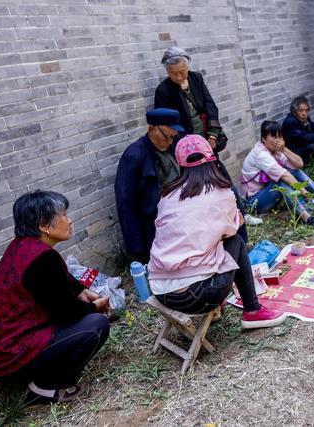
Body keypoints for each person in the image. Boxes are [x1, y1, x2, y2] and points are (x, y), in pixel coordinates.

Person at [0, 190, 111, 403]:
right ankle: (45, 387)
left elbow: (55, 282)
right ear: (43, 225)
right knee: (96, 325)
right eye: (64, 215)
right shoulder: (41, 259)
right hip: (8, 358)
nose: (70, 219)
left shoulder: (22, 247)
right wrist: (96, 307)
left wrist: (81, 290)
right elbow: (67, 314)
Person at [148, 134, 286, 329]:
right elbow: (231, 229)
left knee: (213, 248)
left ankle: (231, 309)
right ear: (212, 159)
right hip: (195, 297)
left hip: (160, 290)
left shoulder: (168, 194)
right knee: (236, 242)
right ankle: (252, 311)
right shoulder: (221, 193)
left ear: (181, 165)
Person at [153, 46, 261, 230]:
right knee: (195, 186)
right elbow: (167, 124)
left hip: (207, 144)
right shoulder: (163, 90)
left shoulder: (196, 78)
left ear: (187, 67)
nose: (179, 77)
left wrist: (212, 136)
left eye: (182, 72)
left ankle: (240, 214)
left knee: (221, 178)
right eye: (173, 73)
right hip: (186, 150)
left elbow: (210, 106)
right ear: (167, 71)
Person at [114, 108, 184, 264]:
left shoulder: (170, 147)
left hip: (177, 218)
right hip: (153, 228)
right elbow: (125, 203)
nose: (170, 142)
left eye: (174, 137)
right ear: (151, 129)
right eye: (167, 137)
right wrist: (137, 247)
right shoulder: (134, 155)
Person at [241, 120, 314, 226]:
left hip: (268, 193)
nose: (277, 140)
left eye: (279, 137)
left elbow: (299, 164)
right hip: (255, 202)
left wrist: (284, 149)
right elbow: (284, 175)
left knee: (292, 170)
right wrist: (303, 191)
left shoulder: (276, 151)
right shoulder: (261, 154)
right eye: (273, 137)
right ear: (263, 139)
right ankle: (305, 216)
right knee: (280, 182)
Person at [281, 96, 314, 164]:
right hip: (294, 151)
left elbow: (313, 126)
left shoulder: (303, 117)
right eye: (301, 110)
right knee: (313, 146)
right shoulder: (290, 122)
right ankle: (310, 165)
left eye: (306, 110)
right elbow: (303, 137)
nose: (304, 113)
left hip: (302, 145)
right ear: (294, 111)